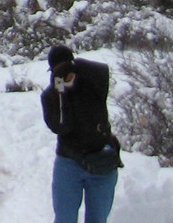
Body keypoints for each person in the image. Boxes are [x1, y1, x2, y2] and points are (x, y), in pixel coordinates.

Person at [40, 45, 122, 223]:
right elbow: (61, 127)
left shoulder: (93, 84)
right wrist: (61, 94)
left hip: (101, 161)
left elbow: (102, 71)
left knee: (97, 219)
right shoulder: (51, 95)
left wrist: (75, 70)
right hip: (69, 162)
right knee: (65, 219)